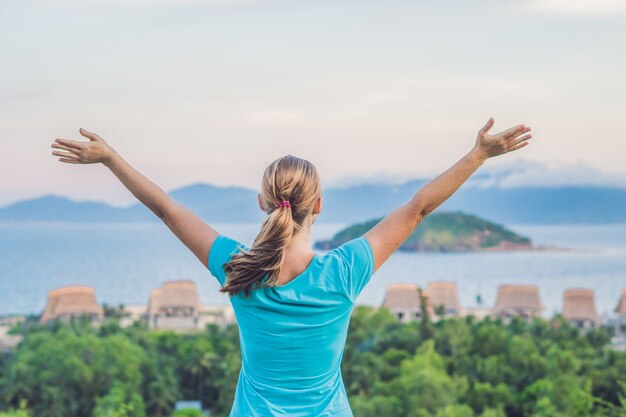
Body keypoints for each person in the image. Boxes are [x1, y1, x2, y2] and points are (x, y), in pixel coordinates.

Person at [50, 118, 532, 416]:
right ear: (318, 205)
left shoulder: (238, 270)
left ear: (263, 201)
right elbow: (418, 208)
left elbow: (169, 210)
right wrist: (478, 155)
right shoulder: (343, 273)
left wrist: (111, 158)